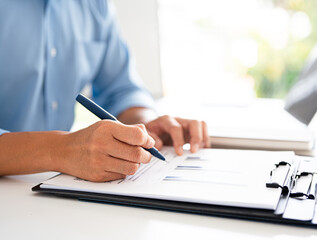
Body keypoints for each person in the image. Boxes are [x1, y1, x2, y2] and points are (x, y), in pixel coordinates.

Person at [0, 1, 210, 182]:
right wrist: (60, 150)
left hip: (49, 195)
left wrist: (143, 126)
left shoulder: (95, 4)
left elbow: (120, 89)